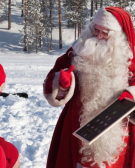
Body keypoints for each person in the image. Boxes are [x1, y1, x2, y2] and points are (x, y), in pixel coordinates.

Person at [43, 7, 135, 168]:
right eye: (95, 30)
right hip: (78, 131)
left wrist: (131, 96)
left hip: (118, 137)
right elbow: (54, 80)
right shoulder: (77, 52)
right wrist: (62, 83)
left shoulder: (128, 58)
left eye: (105, 33)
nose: (98, 36)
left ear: (118, 37)